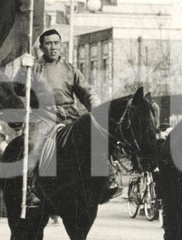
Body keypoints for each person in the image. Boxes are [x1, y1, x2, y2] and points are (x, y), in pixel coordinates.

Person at [15, 28, 121, 207]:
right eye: (48, 43)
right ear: (41, 47)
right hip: (43, 115)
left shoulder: (70, 69)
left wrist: (97, 108)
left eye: (56, 43)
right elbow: (18, 89)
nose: (53, 47)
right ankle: (30, 189)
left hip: (69, 114)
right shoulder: (34, 68)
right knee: (33, 144)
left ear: (61, 45)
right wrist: (23, 70)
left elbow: (86, 91)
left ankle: (108, 180)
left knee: (96, 138)